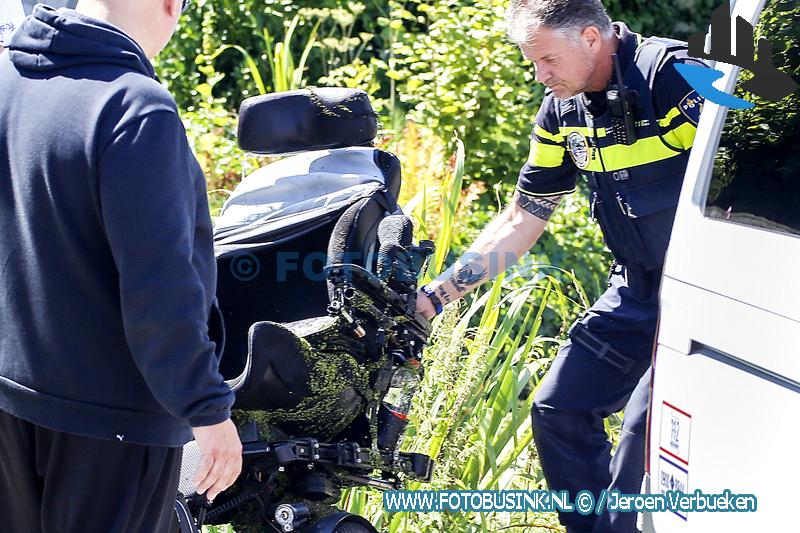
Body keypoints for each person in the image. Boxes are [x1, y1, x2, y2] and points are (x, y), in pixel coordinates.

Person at [416, 1, 707, 532]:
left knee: (645, 441)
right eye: (533, 63)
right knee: (558, 411)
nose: (540, 75)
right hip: (638, 288)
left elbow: (763, 140)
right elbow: (523, 220)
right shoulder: (561, 113)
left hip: (709, 293)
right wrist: (435, 298)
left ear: (591, 37)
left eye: (546, 59)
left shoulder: (674, 77)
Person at [0, 1, 242, 531]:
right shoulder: (135, 106)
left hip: (14, 396)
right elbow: (161, 287)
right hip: (116, 420)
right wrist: (207, 409)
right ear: (171, 6)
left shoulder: (8, 80)